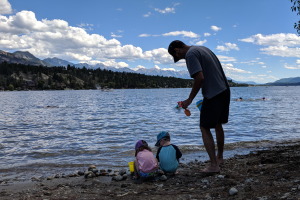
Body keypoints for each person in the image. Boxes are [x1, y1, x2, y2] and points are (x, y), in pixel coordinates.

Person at [168, 40, 230, 173]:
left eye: (177, 57)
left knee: (204, 127)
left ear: (177, 50)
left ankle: (214, 166)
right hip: (224, 90)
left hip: (213, 94)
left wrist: (190, 99)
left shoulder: (190, 54)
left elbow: (200, 78)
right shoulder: (203, 49)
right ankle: (219, 158)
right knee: (218, 124)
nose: (180, 59)